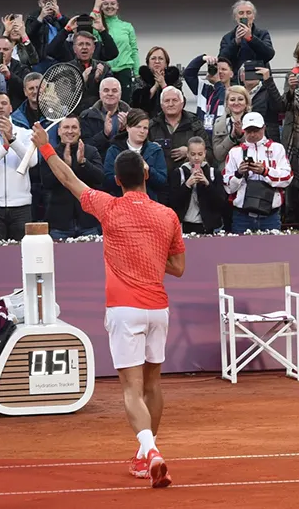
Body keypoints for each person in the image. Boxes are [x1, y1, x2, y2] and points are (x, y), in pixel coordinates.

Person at [29, 121, 184, 489]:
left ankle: (150, 451)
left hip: (125, 309)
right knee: (153, 385)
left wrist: (44, 146)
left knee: (131, 388)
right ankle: (145, 455)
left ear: (116, 180)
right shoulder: (168, 216)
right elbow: (177, 268)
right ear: (146, 174)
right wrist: (150, 254)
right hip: (158, 309)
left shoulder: (108, 207)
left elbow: (69, 179)